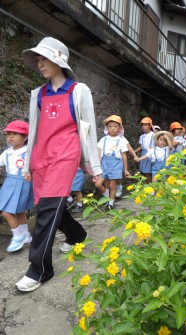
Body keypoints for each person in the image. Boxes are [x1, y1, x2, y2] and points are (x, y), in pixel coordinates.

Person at [15, 37, 102, 292]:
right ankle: (77, 236)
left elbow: (89, 131)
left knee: (47, 210)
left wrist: (95, 169)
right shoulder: (38, 94)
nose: (41, 64)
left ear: (59, 60)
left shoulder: (79, 91)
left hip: (66, 154)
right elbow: (35, 130)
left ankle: (40, 269)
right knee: (49, 207)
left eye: (45, 59)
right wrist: (28, 164)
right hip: (42, 157)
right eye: (38, 59)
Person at [0, 120, 33, 252]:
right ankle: (25, 235)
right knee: (19, 211)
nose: (10, 137)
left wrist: (31, 174)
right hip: (9, 183)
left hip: (22, 183)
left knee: (7, 212)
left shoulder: (28, 152)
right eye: (8, 134)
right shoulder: (7, 152)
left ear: (25, 136)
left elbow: (36, 166)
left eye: (15, 134)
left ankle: (18, 236)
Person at [95, 115, 130, 210]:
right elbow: (99, 153)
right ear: (107, 128)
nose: (112, 128)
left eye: (115, 126)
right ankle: (107, 197)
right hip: (104, 165)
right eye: (110, 126)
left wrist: (126, 170)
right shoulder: (103, 139)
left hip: (115, 166)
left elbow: (124, 155)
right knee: (98, 184)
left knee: (112, 185)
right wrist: (96, 167)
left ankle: (110, 203)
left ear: (120, 128)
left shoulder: (121, 140)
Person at [134, 117, 155, 183]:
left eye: (145, 125)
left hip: (150, 155)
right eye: (142, 125)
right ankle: (146, 187)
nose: (143, 127)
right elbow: (141, 147)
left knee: (148, 172)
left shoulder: (153, 135)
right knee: (143, 172)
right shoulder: (142, 136)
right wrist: (135, 151)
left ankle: (151, 188)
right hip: (143, 154)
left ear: (150, 126)